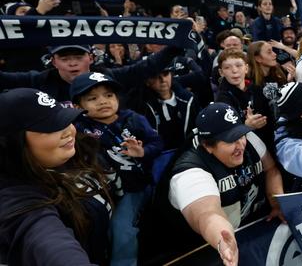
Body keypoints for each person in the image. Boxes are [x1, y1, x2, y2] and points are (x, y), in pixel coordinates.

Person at [0, 88, 112, 265]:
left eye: (65, 120)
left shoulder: (66, 152)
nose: (69, 131)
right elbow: (50, 243)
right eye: (50, 127)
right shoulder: (18, 201)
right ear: (14, 143)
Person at [168, 102, 284, 266]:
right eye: (230, 140)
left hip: (250, 228)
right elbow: (207, 215)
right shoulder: (189, 173)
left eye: (240, 135)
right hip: (197, 251)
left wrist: (277, 203)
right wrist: (222, 240)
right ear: (208, 145)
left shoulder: (248, 139)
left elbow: (271, 169)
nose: (241, 145)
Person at [70, 72, 163, 266]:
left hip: (134, 188)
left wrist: (143, 151)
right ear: (78, 106)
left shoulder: (134, 119)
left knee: (121, 228)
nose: (103, 102)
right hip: (100, 191)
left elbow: (157, 143)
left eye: (109, 95)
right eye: (92, 98)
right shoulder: (77, 128)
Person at [0, 44, 182, 105]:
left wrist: (174, 46)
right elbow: (5, 79)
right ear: (53, 62)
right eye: (65, 58)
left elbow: (145, 68)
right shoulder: (40, 80)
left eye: (78, 57)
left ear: (91, 58)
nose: (72, 63)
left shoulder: (106, 76)